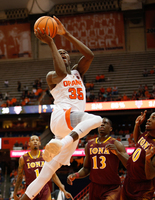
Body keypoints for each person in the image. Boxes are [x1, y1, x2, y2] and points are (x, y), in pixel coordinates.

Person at [18, 16, 102, 200]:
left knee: (46, 173)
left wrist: (67, 34)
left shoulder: (78, 72)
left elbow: (90, 55)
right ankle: (59, 144)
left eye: (65, 53)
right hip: (62, 117)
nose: (63, 54)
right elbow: (62, 73)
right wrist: (51, 43)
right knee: (98, 120)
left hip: (69, 129)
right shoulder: (51, 76)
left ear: (70, 58)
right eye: (59, 53)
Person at [67, 118, 129, 200]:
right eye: (100, 123)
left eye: (105, 123)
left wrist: (118, 153)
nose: (102, 124)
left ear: (110, 128)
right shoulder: (89, 144)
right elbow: (86, 168)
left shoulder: (116, 144)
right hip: (95, 187)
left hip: (111, 187)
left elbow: (130, 165)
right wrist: (75, 175)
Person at [13, 135, 73, 200]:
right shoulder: (23, 158)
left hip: (44, 190)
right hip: (30, 189)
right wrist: (15, 192)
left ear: (40, 143)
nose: (35, 142)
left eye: (37, 140)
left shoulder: (46, 156)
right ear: (29, 143)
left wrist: (63, 190)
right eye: (32, 140)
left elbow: (53, 174)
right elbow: (19, 177)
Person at [121, 110, 155, 200]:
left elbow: (151, 175)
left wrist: (148, 160)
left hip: (143, 188)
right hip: (129, 180)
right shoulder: (147, 134)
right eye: (149, 117)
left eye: (153, 118)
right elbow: (138, 141)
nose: (148, 120)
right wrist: (137, 125)